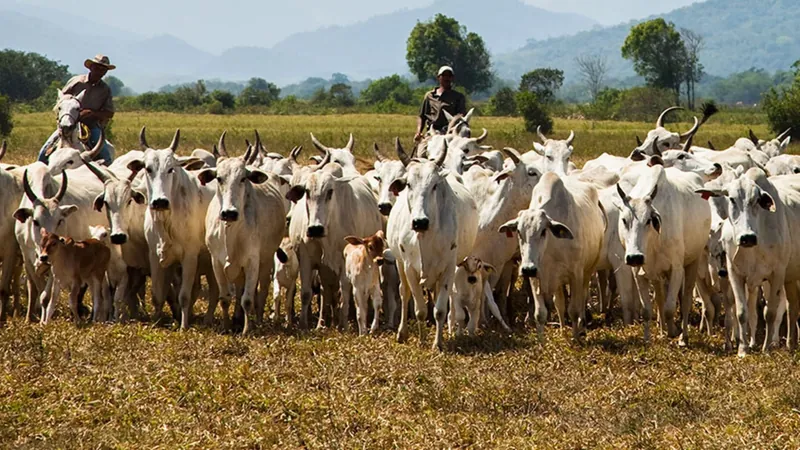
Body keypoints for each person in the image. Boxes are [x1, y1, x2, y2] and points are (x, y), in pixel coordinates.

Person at [38, 54, 116, 165]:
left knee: (105, 156)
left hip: (91, 126)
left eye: (103, 69)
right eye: (97, 67)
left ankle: (105, 178)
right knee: (43, 154)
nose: (100, 71)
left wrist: (92, 113)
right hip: (68, 123)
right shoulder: (76, 81)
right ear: (91, 67)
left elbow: (109, 113)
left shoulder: (105, 89)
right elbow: (62, 99)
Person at [414, 65, 467, 142]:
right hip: (432, 132)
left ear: (452, 78)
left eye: (449, 76)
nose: (447, 78)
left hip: (450, 134)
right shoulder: (430, 96)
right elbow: (422, 116)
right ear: (438, 77)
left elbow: (462, 114)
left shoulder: (458, 97)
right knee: (421, 153)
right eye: (444, 75)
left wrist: (454, 121)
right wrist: (419, 132)